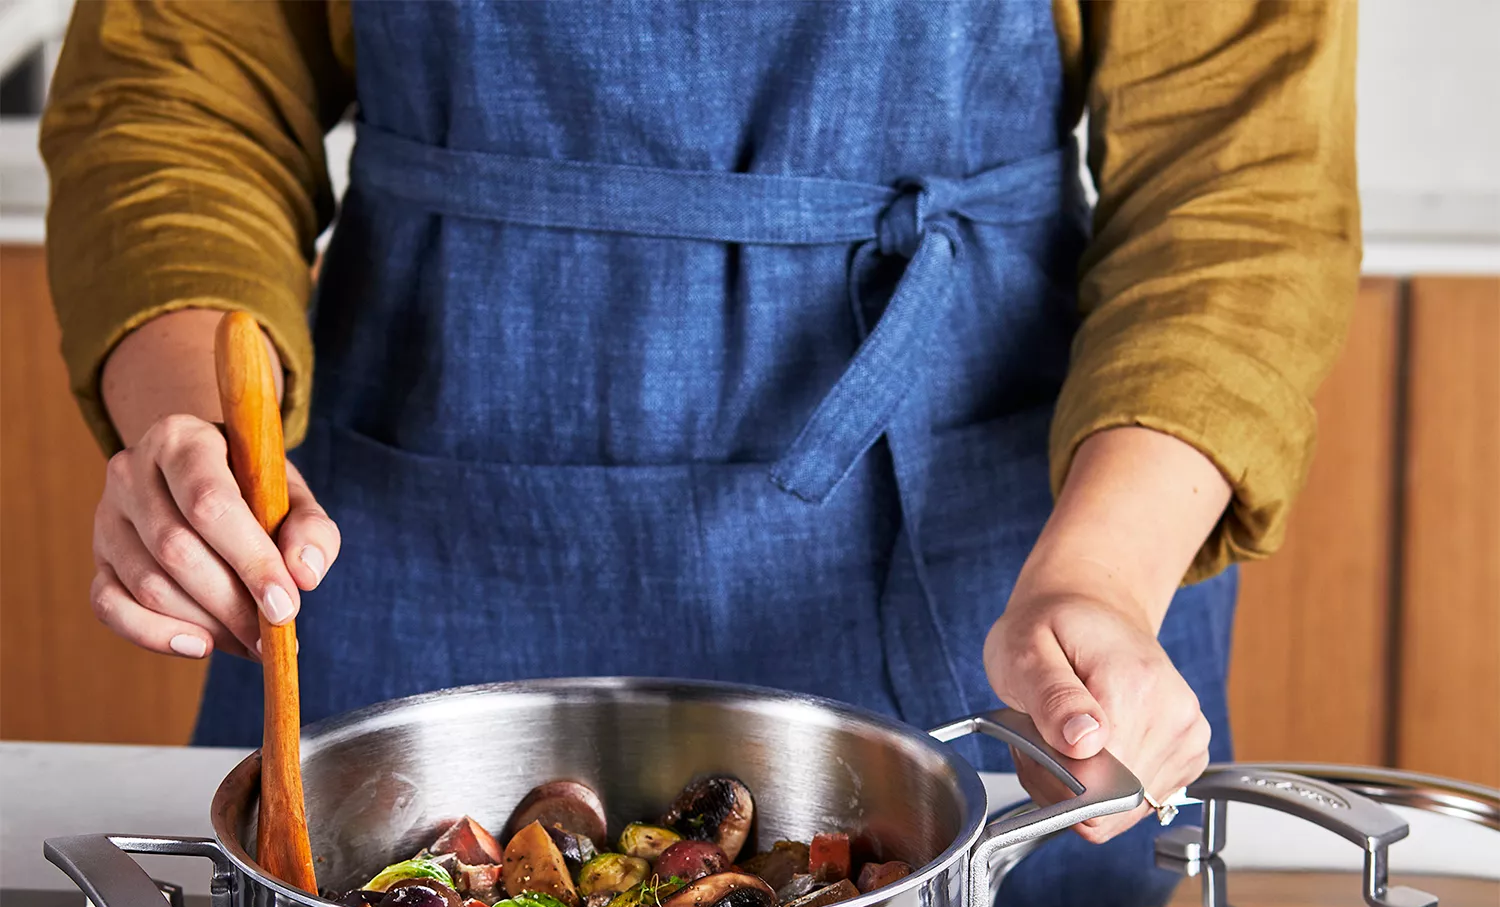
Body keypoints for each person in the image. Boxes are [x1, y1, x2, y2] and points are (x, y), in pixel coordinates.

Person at [41, 1, 1357, 841]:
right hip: (406, 542)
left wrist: (1103, 582)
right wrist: (191, 437)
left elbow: (1236, 171)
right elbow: (175, 91)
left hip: (989, 572)